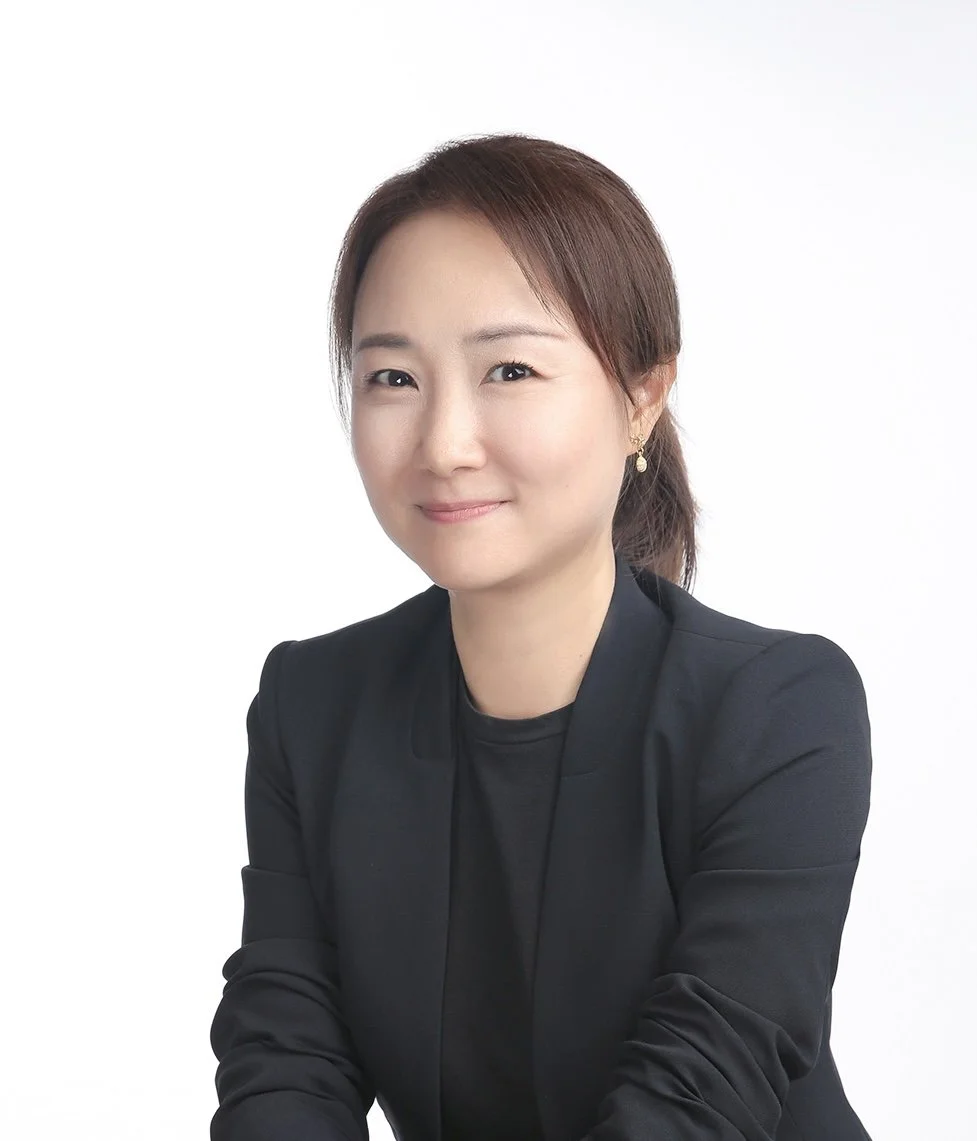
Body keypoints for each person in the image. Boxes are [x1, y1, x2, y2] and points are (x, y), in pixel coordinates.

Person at [209, 132, 874, 1141]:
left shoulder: (776, 707)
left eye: (509, 369)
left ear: (641, 397)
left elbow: (696, 1096)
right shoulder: (312, 705)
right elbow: (285, 1063)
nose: (443, 443)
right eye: (391, 378)